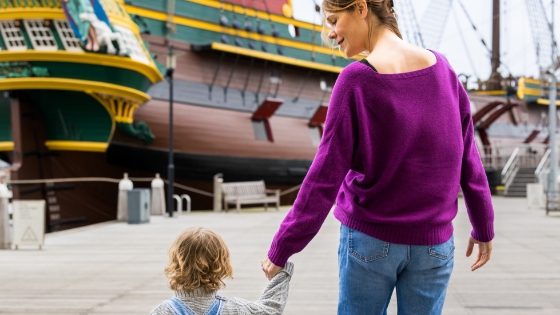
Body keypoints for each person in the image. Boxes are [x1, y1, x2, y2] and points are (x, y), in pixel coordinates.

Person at [261, 0, 494, 314]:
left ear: (360, 8)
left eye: (332, 20)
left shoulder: (356, 80)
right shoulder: (444, 70)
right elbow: (468, 157)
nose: (330, 34)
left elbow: (324, 175)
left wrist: (283, 246)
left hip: (370, 240)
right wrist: (483, 225)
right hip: (434, 246)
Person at [151, 227, 294, 315]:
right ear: (221, 265)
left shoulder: (161, 312)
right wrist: (282, 272)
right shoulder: (235, 310)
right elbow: (271, 309)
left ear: (176, 263)